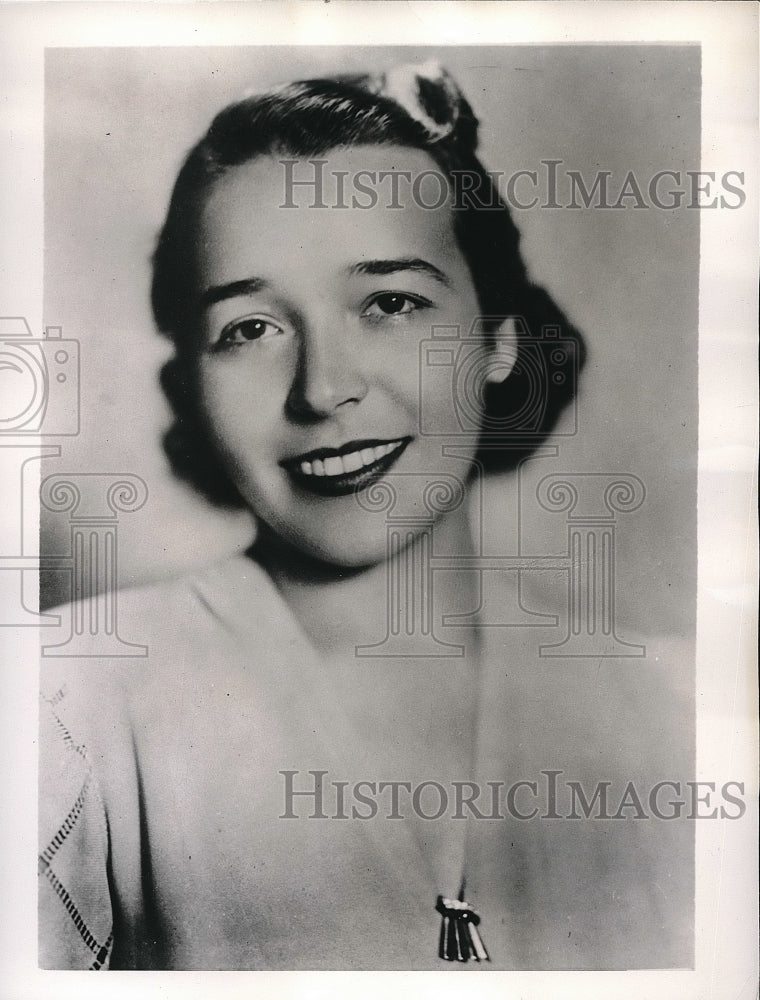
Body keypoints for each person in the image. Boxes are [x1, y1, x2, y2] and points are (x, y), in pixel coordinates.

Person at [39, 62, 692, 970]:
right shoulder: (60, 705)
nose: (323, 388)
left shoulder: (686, 716)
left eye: (390, 302)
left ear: (497, 342)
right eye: (250, 328)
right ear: (190, 379)